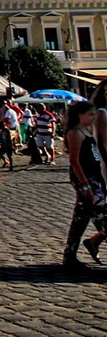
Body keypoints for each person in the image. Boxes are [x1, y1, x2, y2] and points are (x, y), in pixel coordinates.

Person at [62, 100, 107, 269]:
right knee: (102, 214)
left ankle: (70, 255)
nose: (94, 116)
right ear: (80, 115)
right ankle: (74, 253)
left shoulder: (87, 131)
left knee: (80, 219)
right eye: (90, 114)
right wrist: (85, 184)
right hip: (85, 179)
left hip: (94, 177)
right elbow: (74, 161)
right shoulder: (75, 133)